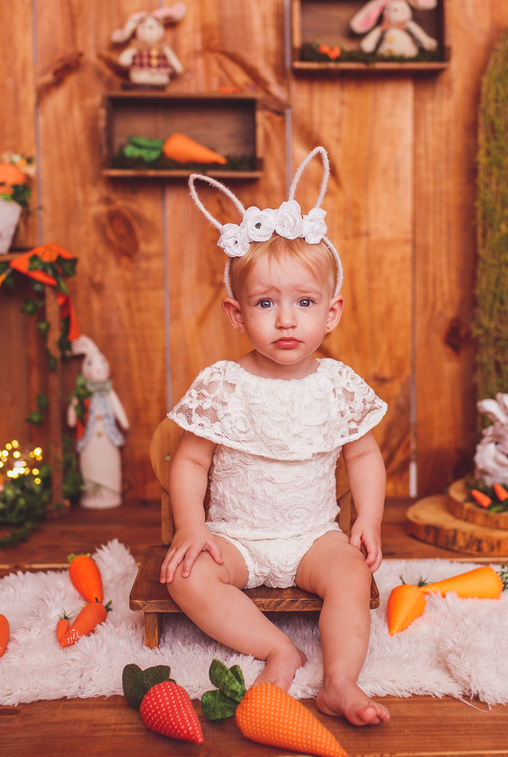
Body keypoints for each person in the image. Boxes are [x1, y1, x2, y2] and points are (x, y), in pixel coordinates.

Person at [160, 148, 390, 727]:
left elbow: (364, 454)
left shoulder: (339, 384)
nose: (286, 320)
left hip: (312, 535)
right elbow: (188, 464)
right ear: (237, 315)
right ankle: (276, 650)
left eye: (303, 303)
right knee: (188, 577)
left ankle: (339, 680)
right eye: (266, 303)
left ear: (331, 313)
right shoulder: (223, 383)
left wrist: (369, 518)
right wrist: (193, 527)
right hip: (237, 537)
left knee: (351, 575)